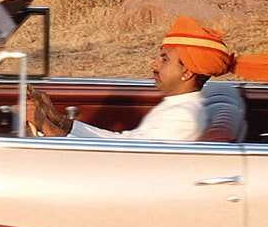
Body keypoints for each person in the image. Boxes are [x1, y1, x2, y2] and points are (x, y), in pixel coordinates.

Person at [33, 16, 246, 142]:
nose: (153, 65)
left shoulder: (182, 118)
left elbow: (122, 159)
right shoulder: (177, 108)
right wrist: (60, 121)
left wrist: (48, 128)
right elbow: (124, 141)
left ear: (187, 72)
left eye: (164, 60)